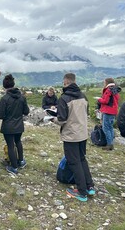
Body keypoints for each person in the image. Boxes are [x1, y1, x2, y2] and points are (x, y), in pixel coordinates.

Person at [53, 73, 94, 202]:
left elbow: (62, 119)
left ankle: (81, 192)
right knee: (82, 159)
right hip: (82, 133)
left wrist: (52, 119)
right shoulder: (83, 96)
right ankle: (90, 186)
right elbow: (85, 114)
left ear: (65, 82)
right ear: (75, 81)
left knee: (74, 162)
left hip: (71, 135)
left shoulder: (64, 98)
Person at [0, 74, 30, 174]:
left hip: (8, 126)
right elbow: (26, 111)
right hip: (19, 125)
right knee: (18, 142)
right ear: (13, 84)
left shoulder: (4, 99)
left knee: (10, 145)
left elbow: (1, 115)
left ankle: (14, 167)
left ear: (4, 87)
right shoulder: (22, 97)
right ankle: (21, 161)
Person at [97, 78, 120, 150]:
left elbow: (105, 101)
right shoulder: (115, 90)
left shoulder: (108, 90)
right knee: (110, 127)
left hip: (107, 111)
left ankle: (109, 144)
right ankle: (111, 143)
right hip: (114, 111)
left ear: (107, 83)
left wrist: (99, 99)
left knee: (105, 128)